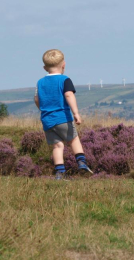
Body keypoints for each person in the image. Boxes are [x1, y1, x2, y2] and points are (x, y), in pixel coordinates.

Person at [34, 49, 93, 180]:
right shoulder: (65, 80)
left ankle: (60, 173)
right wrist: (76, 113)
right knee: (74, 139)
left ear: (44, 68)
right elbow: (68, 94)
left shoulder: (40, 82)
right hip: (63, 118)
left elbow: (37, 99)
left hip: (47, 120)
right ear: (64, 65)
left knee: (57, 145)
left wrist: (43, 109)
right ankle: (82, 162)